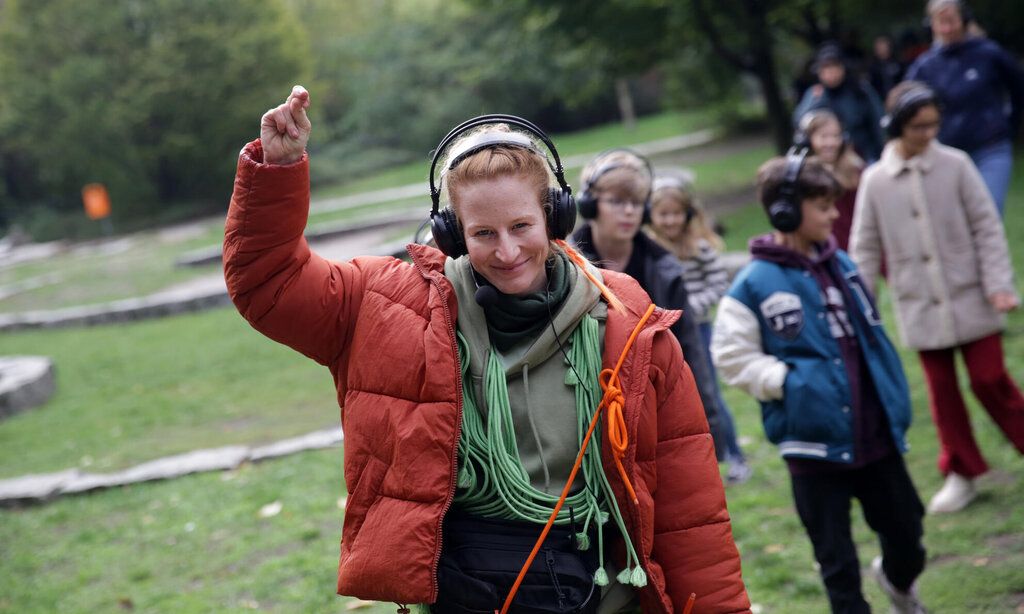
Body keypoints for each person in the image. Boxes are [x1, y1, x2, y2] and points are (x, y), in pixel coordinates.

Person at [224, 86, 750, 613]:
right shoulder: (386, 306)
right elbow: (270, 284)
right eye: (482, 233)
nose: (507, 251)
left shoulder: (628, 327)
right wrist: (278, 171)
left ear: (555, 216)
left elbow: (691, 513)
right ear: (451, 234)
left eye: (522, 226)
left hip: (603, 598)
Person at [711, 151, 927, 614]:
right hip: (812, 447)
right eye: (824, 205)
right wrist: (786, 381)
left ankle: (896, 580)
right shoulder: (753, 283)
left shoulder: (843, 264)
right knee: (837, 565)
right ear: (787, 209)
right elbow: (730, 356)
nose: (834, 214)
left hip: (876, 436)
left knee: (908, 533)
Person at [850, 80, 1024, 515]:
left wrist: (999, 283)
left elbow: (987, 226)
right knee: (942, 392)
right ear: (896, 126)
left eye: (933, 125)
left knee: (990, 379)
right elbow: (865, 248)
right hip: (919, 305)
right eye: (918, 127)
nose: (928, 134)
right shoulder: (875, 181)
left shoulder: (957, 164)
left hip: (972, 296)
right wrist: (862, 306)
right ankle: (961, 472)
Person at [567, 149, 727, 462]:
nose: (629, 212)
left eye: (637, 203)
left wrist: (710, 425)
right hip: (589, 420)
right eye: (616, 201)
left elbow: (689, 350)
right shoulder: (564, 268)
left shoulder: (664, 267)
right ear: (589, 205)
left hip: (656, 408)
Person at [644, 173, 752, 484]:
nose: (670, 220)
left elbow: (719, 283)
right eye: (663, 214)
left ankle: (734, 455)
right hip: (666, 332)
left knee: (711, 394)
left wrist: (690, 307)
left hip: (699, 330)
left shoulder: (700, 248)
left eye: (676, 213)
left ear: (688, 215)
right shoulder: (651, 248)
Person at [905, 0, 1024, 216]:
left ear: (964, 20)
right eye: (941, 22)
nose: (947, 29)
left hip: (990, 148)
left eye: (951, 21)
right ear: (931, 25)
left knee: (989, 213)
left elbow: (1018, 87)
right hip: (946, 151)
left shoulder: (988, 54)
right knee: (952, 218)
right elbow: (904, 104)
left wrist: (1010, 125)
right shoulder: (925, 66)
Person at [794, 41, 886, 163]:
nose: (830, 73)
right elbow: (800, 122)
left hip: (862, 154)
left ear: (843, 68)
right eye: (825, 68)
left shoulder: (860, 89)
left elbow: (878, 122)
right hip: (826, 156)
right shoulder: (816, 93)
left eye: (834, 66)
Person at [794, 109, 865, 251]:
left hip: (853, 248)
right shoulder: (800, 177)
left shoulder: (855, 171)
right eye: (824, 136)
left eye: (835, 136)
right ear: (808, 141)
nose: (831, 143)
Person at [867, 35, 905, 100]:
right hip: (880, 100)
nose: (879, 48)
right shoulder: (873, 66)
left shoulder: (898, 62)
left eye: (882, 45)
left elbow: (904, 79)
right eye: (877, 46)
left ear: (888, 46)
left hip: (899, 98)